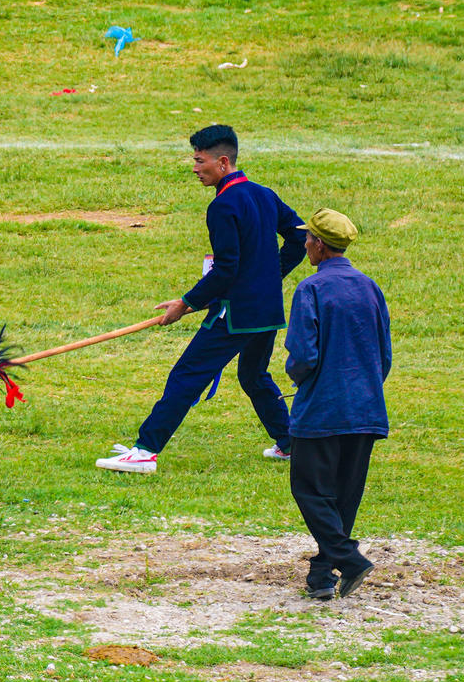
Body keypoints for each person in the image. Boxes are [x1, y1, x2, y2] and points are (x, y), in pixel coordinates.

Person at [98, 125, 306, 474]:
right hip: (267, 309)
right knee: (253, 376)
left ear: (223, 162)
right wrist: (267, 277)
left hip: (236, 314)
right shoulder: (264, 194)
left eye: (199, 161)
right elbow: (300, 238)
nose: (195, 168)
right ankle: (290, 443)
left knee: (187, 375)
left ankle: (145, 451)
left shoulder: (223, 205)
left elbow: (225, 270)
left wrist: (185, 303)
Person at [284, 208, 390, 599]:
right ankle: (321, 578)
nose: (304, 244)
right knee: (344, 497)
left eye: (307, 238)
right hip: (366, 409)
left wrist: (297, 377)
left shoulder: (310, 289)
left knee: (309, 490)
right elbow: (384, 354)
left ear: (320, 245)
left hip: (322, 409)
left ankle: (350, 559)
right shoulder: (370, 287)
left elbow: (303, 356)